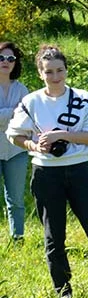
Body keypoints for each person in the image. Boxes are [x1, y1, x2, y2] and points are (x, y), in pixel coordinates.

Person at [6, 45, 88, 298]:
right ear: (40, 73)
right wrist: (34, 145)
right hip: (45, 173)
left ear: (66, 70)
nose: (55, 77)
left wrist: (61, 135)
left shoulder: (81, 98)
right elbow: (14, 134)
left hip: (78, 171)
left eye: (59, 70)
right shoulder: (31, 102)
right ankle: (63, 291)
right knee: (54, 235)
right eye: (49, 72)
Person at [0, 41, 29, 241]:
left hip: (16, 150)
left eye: (11, 58)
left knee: (16, 199)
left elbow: (26, 119)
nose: (6, 62)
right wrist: (12, 112)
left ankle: (18, 237)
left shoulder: (22, 89)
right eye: (1, 58)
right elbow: (17, 114)